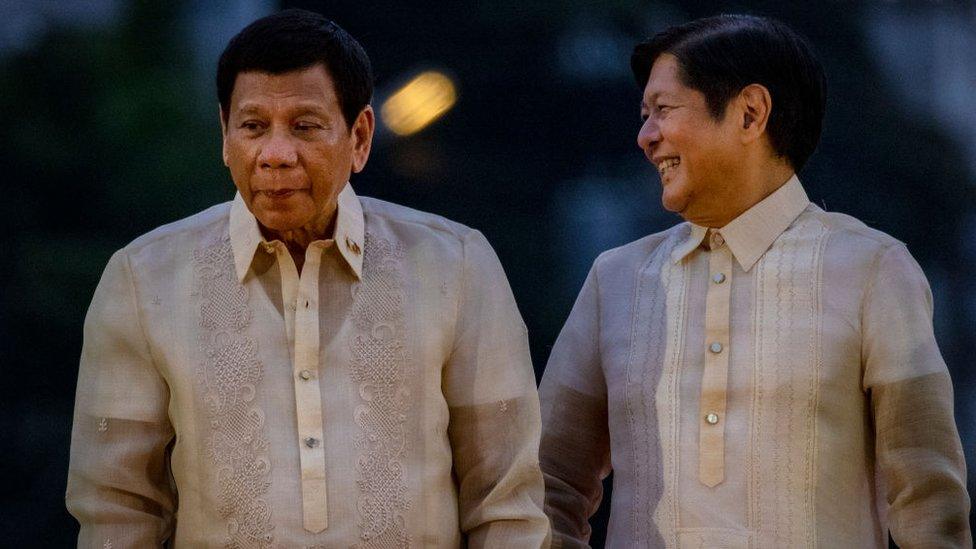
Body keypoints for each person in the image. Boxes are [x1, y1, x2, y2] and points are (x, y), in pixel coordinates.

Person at [66, 9, 549, 547]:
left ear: (359, 136)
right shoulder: (143, 279)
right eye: (252, 127)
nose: (275, 155)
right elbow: (116, 509)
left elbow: (506, 504)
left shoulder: (455, 265)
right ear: (225, 135)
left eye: (304, 126)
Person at [539, 14, 971, 548]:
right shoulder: (616, 279)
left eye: (664, 110)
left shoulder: (872, 270)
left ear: (750, 113)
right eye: (643, 114)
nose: (646, 137)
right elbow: (549, 482)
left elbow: (928, 502)